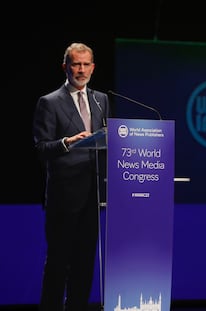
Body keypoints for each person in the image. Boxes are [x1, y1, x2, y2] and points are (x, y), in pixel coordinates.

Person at [32, 42, 109, 311]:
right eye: (76, 64)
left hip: (93, 196)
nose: (81, 70)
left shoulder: (102, 100)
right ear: (65, 66)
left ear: (93, 67)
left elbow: (105, 143)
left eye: (86, 64)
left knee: (85, 263)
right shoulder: (49, 102)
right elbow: (41, 148)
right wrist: (67, 142)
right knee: (58, 263)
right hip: (63, 199)